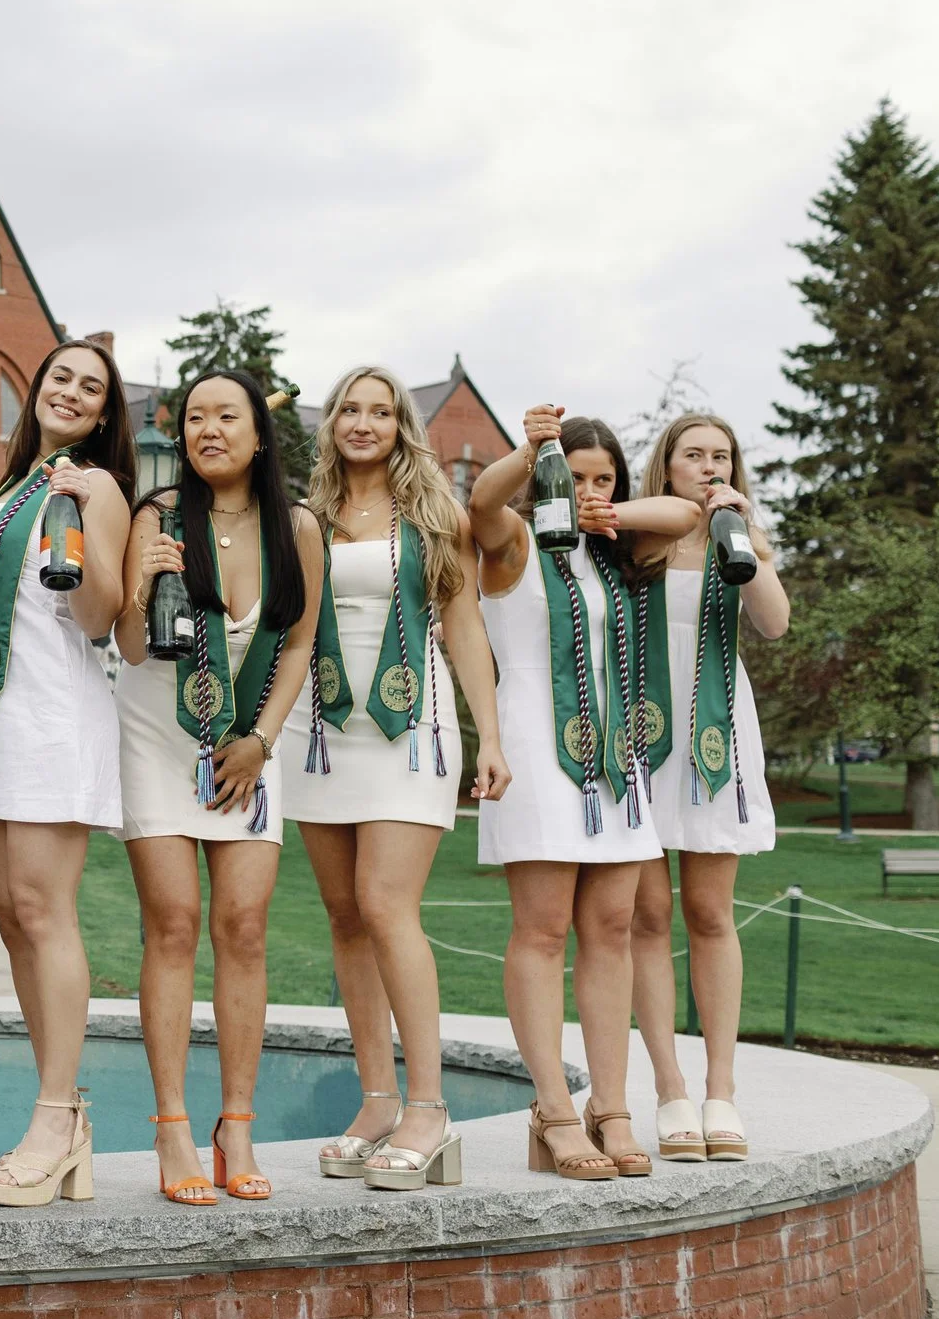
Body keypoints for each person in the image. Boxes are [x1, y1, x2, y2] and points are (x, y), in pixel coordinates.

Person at [279, 368, 509, 1192]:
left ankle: (429, 1107)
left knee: (385, 903)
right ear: (331, 421)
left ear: (401, 424)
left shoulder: (437, 513)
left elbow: (468, 627)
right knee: (345, 915)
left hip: (411, 730)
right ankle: (376, 1099)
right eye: (350, 407)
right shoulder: (305, 517)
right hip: (319, 732)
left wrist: (491, 736)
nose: (364, 421)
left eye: (381, 410)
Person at [469, 406, 698, 1182]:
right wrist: (533, 453)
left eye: (606, 476)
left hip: (615, 763)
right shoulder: (515, 545)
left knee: (613, 924)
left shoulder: (619, 555)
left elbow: (688, 510)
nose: (593, 490)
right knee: (540, 932)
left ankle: (612, 1103)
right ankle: (554, 1109)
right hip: (536, 755)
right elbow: (479, 505)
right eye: (578, 475)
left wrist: (610, 511)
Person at [114, 370, 323, 1203]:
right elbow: (131, 645)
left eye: (224, 416)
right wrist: (140, 583)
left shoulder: (296, 525)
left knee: (242, 925)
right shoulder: (156, 515)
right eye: (195, 417)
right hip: (157, 733)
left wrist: (263, 741)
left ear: (259, 433)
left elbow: (300, 642)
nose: (208, 430)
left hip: (248, 742)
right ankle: (171, 1128)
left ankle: (236, 1122)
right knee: (173, 922)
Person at [0, 339, 134, 1208]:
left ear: (103, 414)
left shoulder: (93, 487)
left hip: (52, 715)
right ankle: (56, 1108)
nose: (70, 391)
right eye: (59, 375)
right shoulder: (9, 485)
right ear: (38, 389)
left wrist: (80, 509)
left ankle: (59, 1114)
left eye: (89, 387)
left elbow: (100, 615)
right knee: (12, 917)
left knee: (42, 909)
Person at [630, 413, 787, 1163]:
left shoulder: (740, 540)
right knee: (647, 915)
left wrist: (750, 540)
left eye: (720, 455)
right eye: (693, 453)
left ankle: (721, 1086)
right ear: (667, 464)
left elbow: (776, 625)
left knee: (709, 912)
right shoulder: (639, 540)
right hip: (642, 740)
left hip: (718, 739)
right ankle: (669, 1090)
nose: (707, 464)